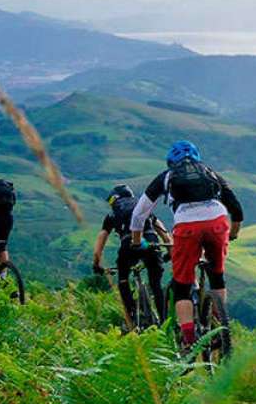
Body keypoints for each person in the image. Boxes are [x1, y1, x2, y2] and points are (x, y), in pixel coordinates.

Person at [128, 141, 243, 350]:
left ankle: (188, 340)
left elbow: (139, 213)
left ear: (171, 162)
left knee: (182, 284)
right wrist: (233, 234)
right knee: (217, 275)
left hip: (187, 227)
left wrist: (136, 241)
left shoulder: (167, 177)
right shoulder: (210, 173)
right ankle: (220, 323)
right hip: (218, 222)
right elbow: (236, 208)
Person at [92, 184, 170, 325]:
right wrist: (169, 252)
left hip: (128, 245)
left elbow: (100, 240)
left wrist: (96, 264)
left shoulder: (112, 214)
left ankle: (132, 317)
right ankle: (164, 322)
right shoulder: (142, 208)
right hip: (151, 242)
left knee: (123, 279)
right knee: (156, 284)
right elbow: (163, 232)